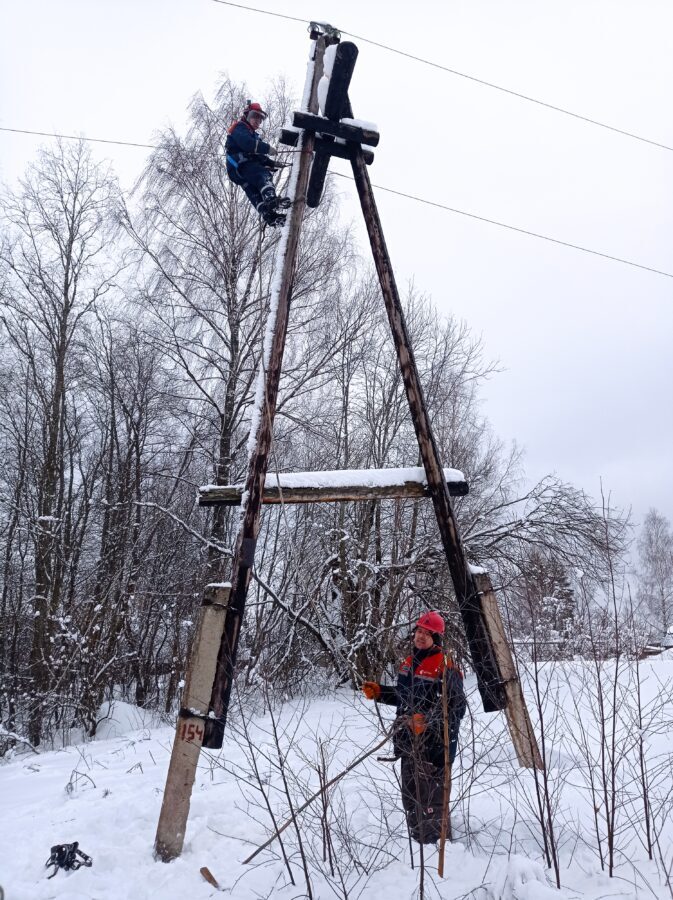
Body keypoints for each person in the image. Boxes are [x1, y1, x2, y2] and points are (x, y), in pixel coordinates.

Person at [361, 611, 466, 844]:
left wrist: (427, 722)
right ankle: (419, 843)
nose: (421, 636)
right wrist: (380, 692)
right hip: (408, 743)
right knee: (411, 798)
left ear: (436, 639)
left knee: (430, 802)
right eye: (419, 631)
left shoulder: (445, 665)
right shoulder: (409, 663)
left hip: (434, 748)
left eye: (427, 633)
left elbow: (457, 707)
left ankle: (437, 846)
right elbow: (404, 697)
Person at [225, 101, 288, 227]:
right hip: (241, 163)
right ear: (247, 115)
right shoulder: (240, 127)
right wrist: (267, 148)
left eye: (260, 119)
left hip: (238, 170)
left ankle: (269, 216)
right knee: (263, 174)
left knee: (253, 191)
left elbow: (258, 156)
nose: (257, 121)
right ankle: (271, 198)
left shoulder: (253, 134)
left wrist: (272, 163)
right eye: (254, 116)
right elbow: (248, 144)